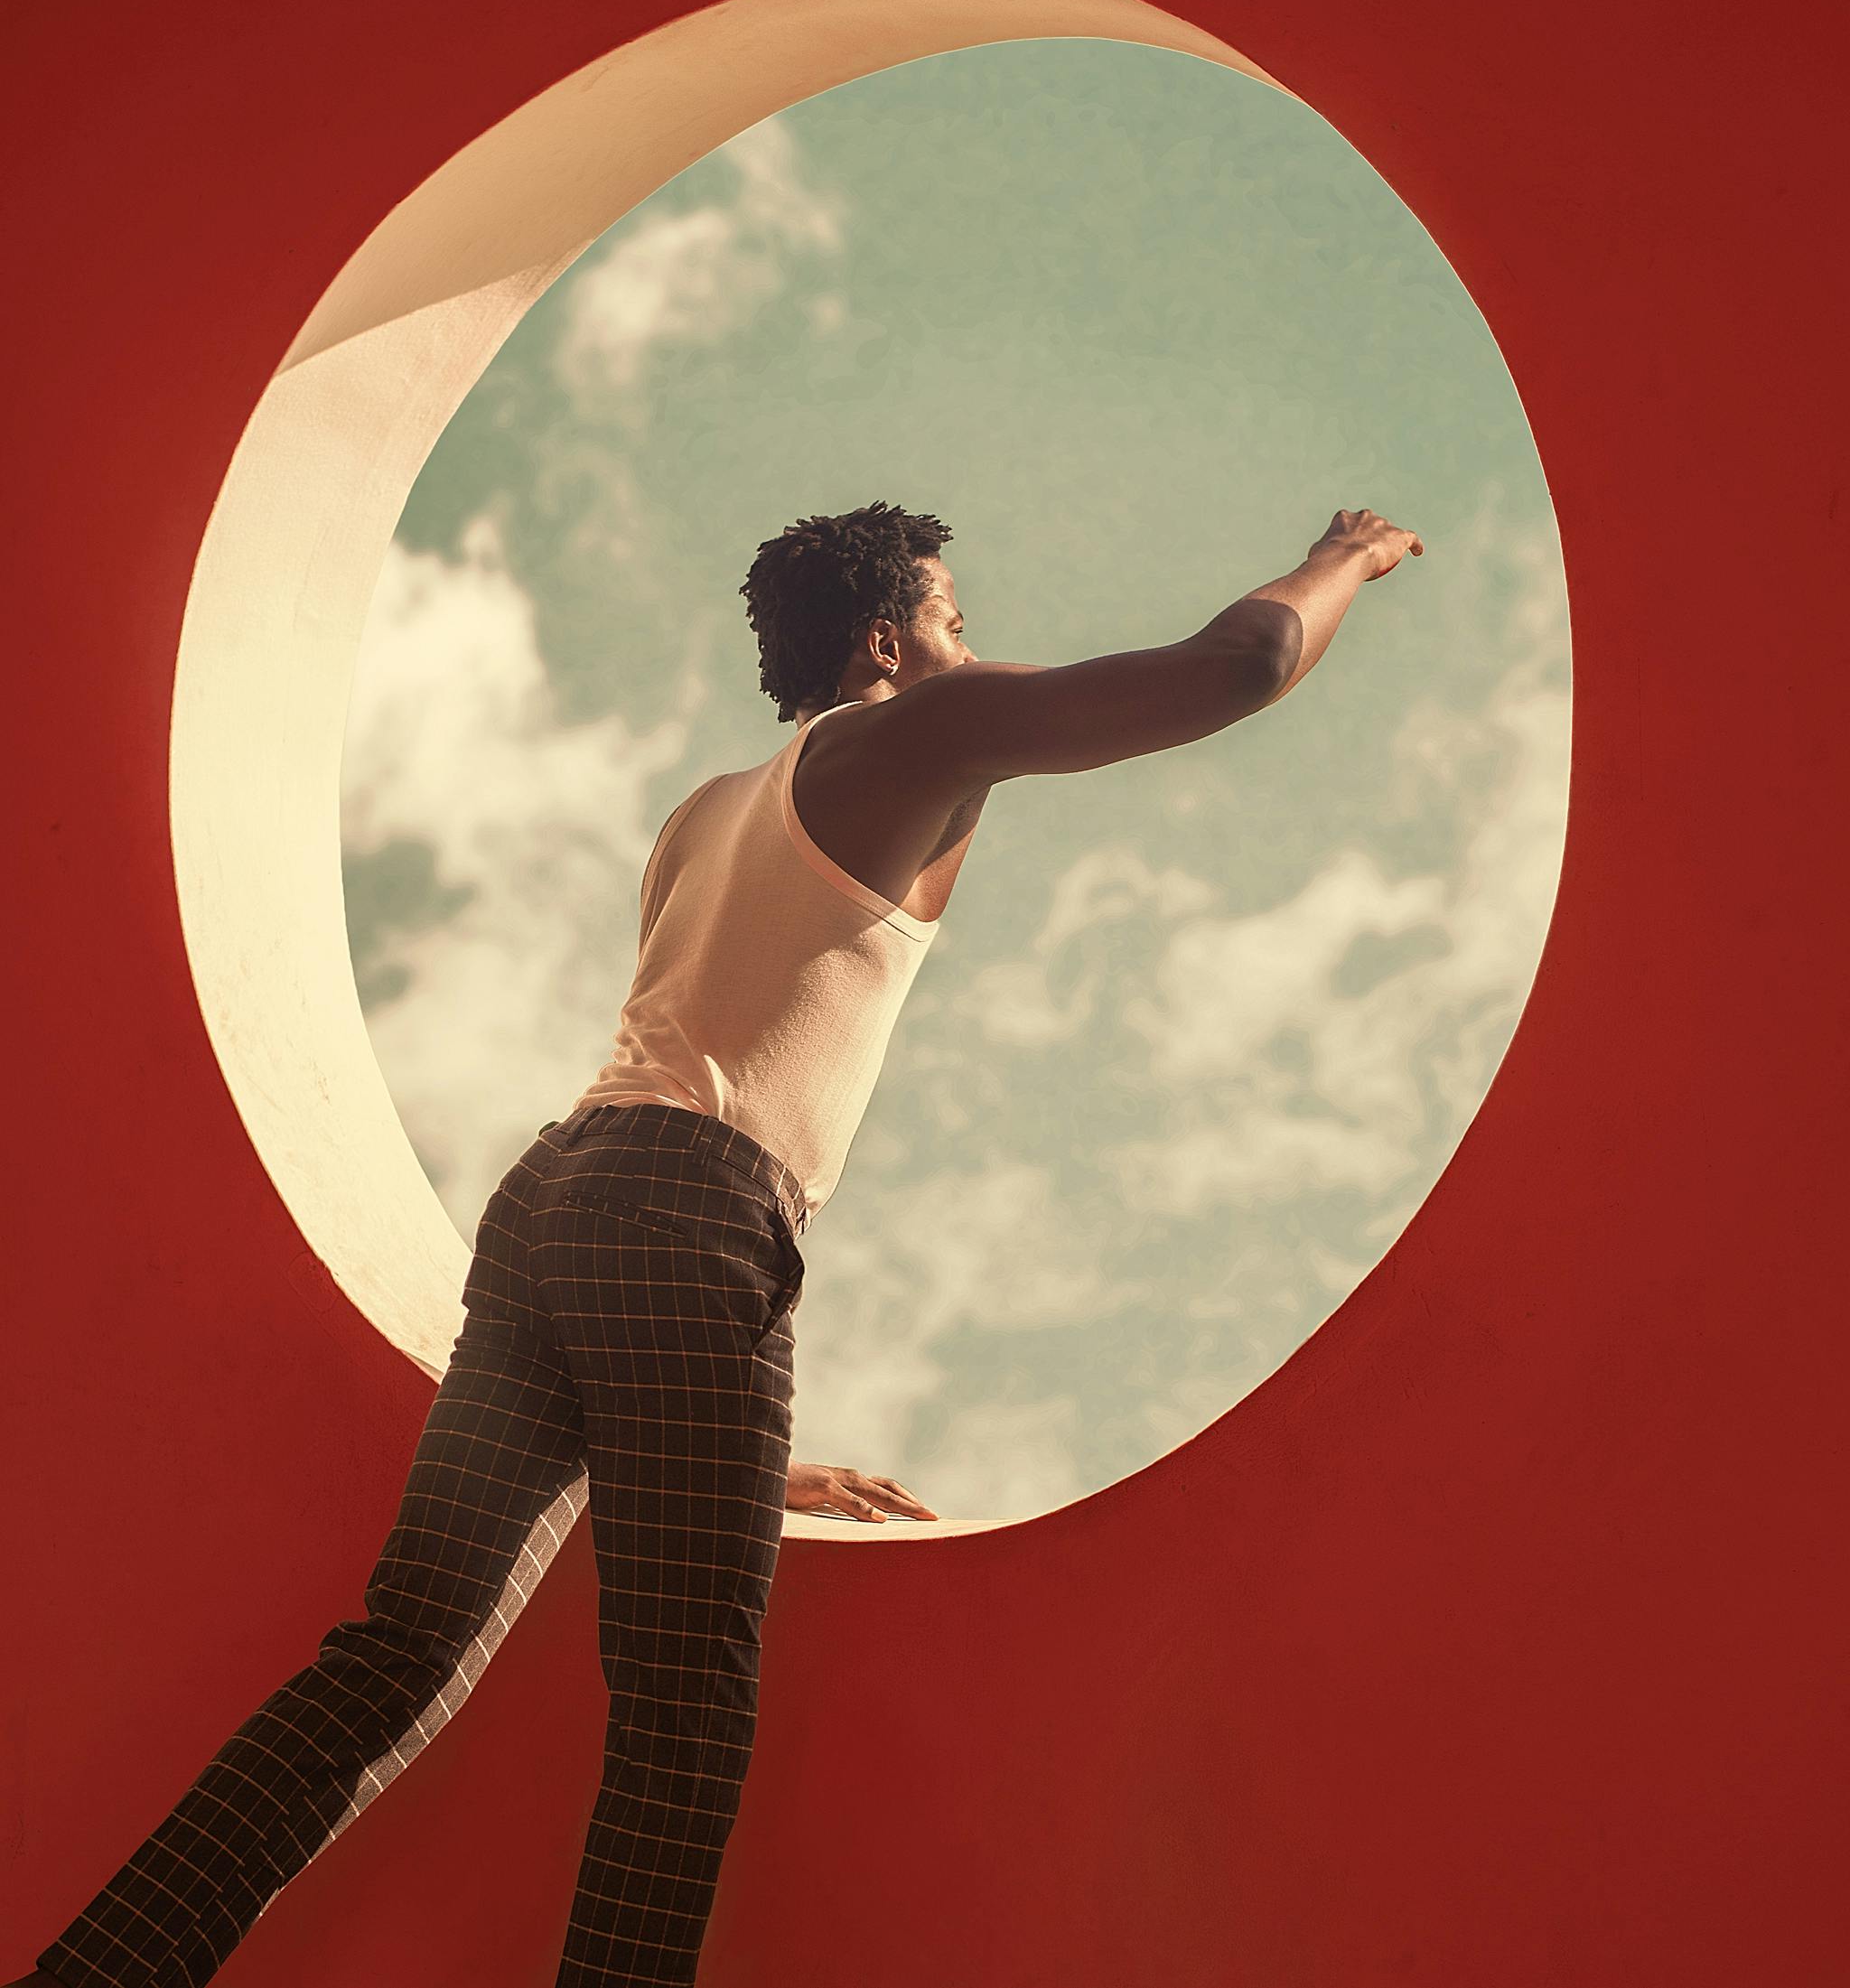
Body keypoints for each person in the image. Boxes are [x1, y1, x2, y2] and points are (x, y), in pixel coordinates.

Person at [17, 499, 1421, 1988]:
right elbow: (1241, 666)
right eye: (955, 616)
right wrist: (1348, 558)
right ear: (890, 641)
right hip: (693, 1208)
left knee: (390, 1660)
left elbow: (680, 1088)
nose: (974, 645)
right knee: (683, 1714)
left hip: (558, 1198)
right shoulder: (911, 737)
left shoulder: (706, 810)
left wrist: (716, 1446)